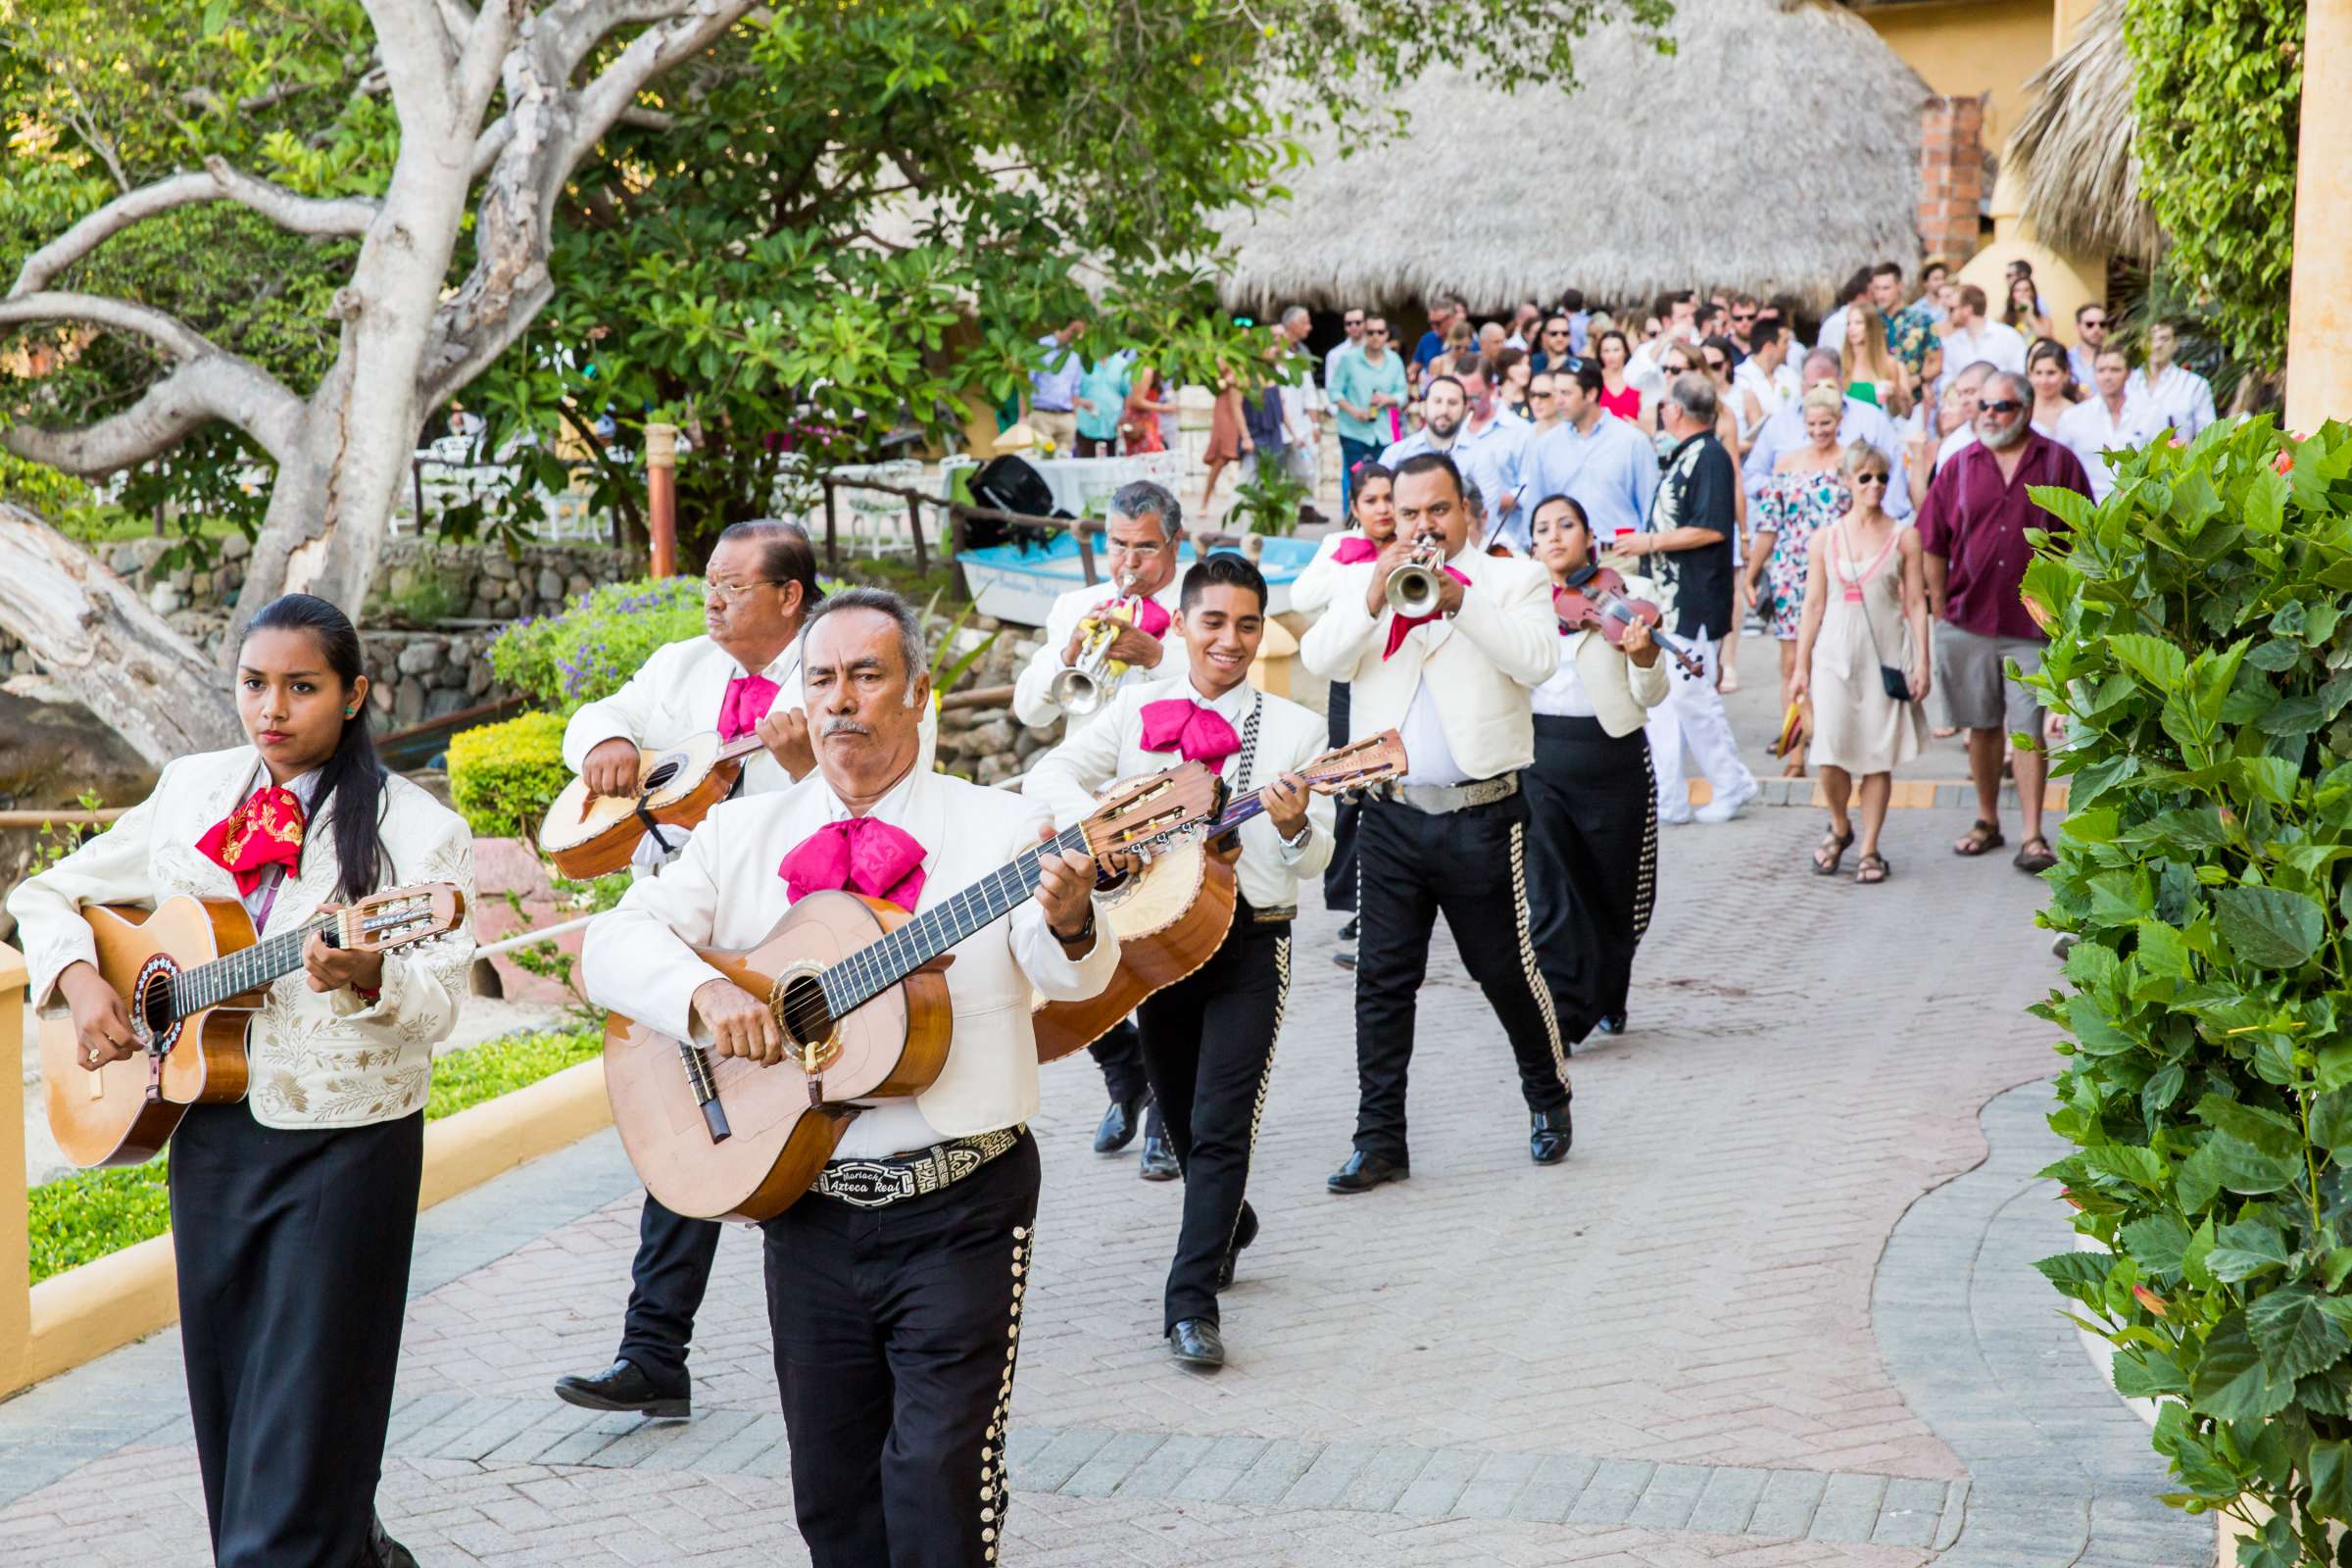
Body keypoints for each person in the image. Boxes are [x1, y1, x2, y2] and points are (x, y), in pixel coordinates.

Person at [581, 588, 1115, 1568]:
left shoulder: (1001, 827)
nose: (840, 701)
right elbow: (609, 945)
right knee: (831, 1500)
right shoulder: (743, 834)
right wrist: (704, 996)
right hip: (807, 1202)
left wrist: (1076, 913)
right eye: (820, 678)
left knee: (938, 1487)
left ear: (918, 692)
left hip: (961, 1201)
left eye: (867, 675)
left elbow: (1065, 967)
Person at [9, 593, 477, 1568]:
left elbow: (439, 1002)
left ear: (354, 695)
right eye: (255, 684)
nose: (272, 708)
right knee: (233, 1425)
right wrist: (80, 977)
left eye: (301, 687)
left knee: (307, 1424)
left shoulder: (417, 831)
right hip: (213, 1135)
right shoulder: (192, 788)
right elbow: (45, 889)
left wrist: (372, 974)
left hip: (345, 1148)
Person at [1028, 554, 1331, 1368]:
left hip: (1252, 936)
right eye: (1214, 621)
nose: (1229, 640)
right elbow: (1047, 769)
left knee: (1222, 1126)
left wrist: (1297, 825)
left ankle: (1189, 1304)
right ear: (1185, 623)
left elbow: (1314, 859)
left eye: (1246, 624)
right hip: (1157, 943)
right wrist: (1101, 824)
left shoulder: (1296, 730)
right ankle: (1226, 1217)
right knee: (1182, 1111)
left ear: (1261, 632)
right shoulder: (1136, 710)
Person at [554, 519, 828, 1420]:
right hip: (680, 932)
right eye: (708, 582)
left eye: (733, 586)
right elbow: (606, 714)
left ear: (789, 597)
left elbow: (864, 805)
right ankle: (652, 1351)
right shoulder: (681, 666)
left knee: (787, 1137)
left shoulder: (840, 666)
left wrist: (801, 768)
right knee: (691, 1132)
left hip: (793, 935)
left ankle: (836, 1360)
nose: (711, 599)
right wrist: (600, 746)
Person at [1299, 452, 1572, 1188]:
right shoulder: (1366, 579)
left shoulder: (1514, 579)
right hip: (1388, 819)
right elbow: (1317, 654)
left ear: (1466, 512)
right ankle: (1380, 1138)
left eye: (1438, 511)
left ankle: (1547, 1095)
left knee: (1504, 973)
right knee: (1381, 983)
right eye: (1410, 512)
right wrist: (1371, 595)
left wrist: (1461, 601)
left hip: (1482, 816)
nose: (1423, 526)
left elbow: (1539, 661)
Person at [1009, 480, 1189, 1170]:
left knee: (1160, 962)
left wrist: (1155, 656)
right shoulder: (1076, 605)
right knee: (1062, 950)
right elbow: (1032, 713)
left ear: (1173, 544)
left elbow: (1220, 681)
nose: (1129, 563)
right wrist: (1065, 657)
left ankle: (1166, 1122)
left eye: (1145, 548)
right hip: (1086, 809)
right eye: (1119, 545)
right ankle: (1125, 1071)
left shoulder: (1195, 603)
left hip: (1164, 808)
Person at [1919, 371, 2092, 875]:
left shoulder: (2058, 462)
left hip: (2033, 623)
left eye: (2002, 406)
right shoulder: (1958, 464)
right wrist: (1936, 611)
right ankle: (1986, 820)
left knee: (2028, 729)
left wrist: (2070, 617)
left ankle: (2033, 835)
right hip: (1967, 618)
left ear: (2027, 409)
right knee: (1980, 726)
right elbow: (1932, 541)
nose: (1990, 414)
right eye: (1985, 405)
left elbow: (2084, 541)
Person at [1522, 495, 1669, 1042]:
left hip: (1612, 757)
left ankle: (1610, 990)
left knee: (1616, 889)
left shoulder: (1628, 598)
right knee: (1550, 891)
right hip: (1539, 759)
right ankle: (1561, 1010)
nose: (1555, 535)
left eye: (1567, 525)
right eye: (1543, 528)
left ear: (1588, 536)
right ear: (1532, 544)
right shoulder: (1522, 601)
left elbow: (1649, 695)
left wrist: (1644, 657)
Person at [1616, 373, 1759, 826]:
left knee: (1694, 697)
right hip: (1670, 600)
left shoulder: (1710, 457)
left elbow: (1713, 527)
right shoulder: (1689, 454)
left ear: (1674, 410)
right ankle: (1669, 797)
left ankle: (1733, 781)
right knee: (1665, 704)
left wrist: (1650, 543)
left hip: (1694, 599)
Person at [1790, 444, 1930, 885]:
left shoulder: (1905, 536)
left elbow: (1915, 602)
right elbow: (1812, 605)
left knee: (1877, 756)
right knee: (1829, 752)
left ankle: (1869, 847)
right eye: (1865, 477)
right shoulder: (1825, 538)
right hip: (1833, 653)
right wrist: (1800, 666)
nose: (1875, 486)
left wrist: (1922, 661)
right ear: (1847, 481)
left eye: (1882, 478)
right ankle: (1840, 826)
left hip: (1884, 656)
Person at [1749, 385, 1855, 710]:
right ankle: (1794, 746)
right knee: (1793, 659)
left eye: (1825, 423)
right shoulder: (1787, 464)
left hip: (1837, 566)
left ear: (1838, 421)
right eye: (1811, 424)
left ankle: (1830, 733)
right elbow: (1769, 525)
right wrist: (1751, 573)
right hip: (1791, 570)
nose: (1818, 431)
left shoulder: (1852, 461)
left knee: (1838, 657)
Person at [1743, 349, 1913, 519]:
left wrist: (1881, 527)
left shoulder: (1871, 419)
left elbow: (1894, 476)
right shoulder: (1779, 424)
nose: (1821, 393)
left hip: (1859, 527)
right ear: (1802, 385)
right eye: (1814, 386)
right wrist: (1794, 489)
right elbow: (1751, 477)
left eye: (1828, 386)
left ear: (1840, 381)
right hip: (1795, 526)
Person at [1380, 365, 1528, 551]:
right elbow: (1384, 508)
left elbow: (1485, 516)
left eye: (1452, 403)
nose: (1444, 410)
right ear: (1424, 407)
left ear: (1466, 408)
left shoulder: (1482, 455)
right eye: (1437, 401)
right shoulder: (1395, 454)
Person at [1519, 363, 1661, 547]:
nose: (1558, 401)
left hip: (1620, 555)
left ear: (1591, 394)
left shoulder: (1632, 441)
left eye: (1566, 393)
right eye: (1556, 393)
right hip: (1564, 557)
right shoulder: (1546, 445)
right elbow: (1535, 506)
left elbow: (1650, 504)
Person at [2056, 346, 2166, 501]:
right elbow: (2060, 468)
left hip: (2138, 506)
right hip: (2088, 508)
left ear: (2128, 373)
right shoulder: (2072, 418)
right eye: (2101, 370)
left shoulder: (2151, 413)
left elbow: (2161, 462)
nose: (2107, 376)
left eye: (2115, 370)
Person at [1331, 315, 1408, 516]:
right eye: (1371, 332)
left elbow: (1402, 394)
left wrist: (1387, 399)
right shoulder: (1349, 359)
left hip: (1382, 431)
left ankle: (1381, 518)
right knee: (1356, 477)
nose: (1375, 336)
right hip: (1353, 430)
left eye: (1380, 332)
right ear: (1364, 334)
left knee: (1384, 478)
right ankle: (1352, 520)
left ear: (1386, 335)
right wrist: (1353, 410)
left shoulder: (1394, 361)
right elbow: (1335, 392)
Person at [2130, 319, 2219, 439]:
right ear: (2140, 343)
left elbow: (2208, 437)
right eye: (2151, 339)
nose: (2157, 345)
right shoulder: (2126, 383)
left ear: (2176, 344)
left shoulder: (2195, 385)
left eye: (2164, 339)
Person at [1938, 284, 2028, 378]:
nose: (1948, 313)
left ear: (1967, 309)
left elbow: (2021, 373)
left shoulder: (2007, 336)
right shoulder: (1952, 343)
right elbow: (1947, 378)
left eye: (1952, 309)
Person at [1841, 307, 1912, 418]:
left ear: (1871, 327)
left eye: (1858, 323)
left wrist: (1896, 393)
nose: (1851, 328)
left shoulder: (1888, 364)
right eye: (1848, 323)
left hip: (1877, 428)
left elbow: (1904, 414)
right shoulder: (1842, 363)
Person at [1029, 318, 1086, 452]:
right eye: (1073, 330)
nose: (1076, 336)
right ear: (1061, 327)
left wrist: (1074, 419)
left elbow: (1075, 389)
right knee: (1042, 461)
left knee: (1066, 463)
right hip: (1042, 415)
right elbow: (1027, 381)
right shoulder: (1042, 346)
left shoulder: (1075, 354)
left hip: (1066, 416)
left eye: (1080, 332)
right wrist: (1023, 416)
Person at [1200, 361, 1250, 515]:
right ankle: (1204, 501)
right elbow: (1216, 381)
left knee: (1246, 456)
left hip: (1244, 406)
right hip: (1226, 407)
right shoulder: (1226, 353)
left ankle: (1244, 502)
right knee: (1222, 456)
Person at [1075, 348, 1132, 458]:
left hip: (1113, 427)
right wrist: (1082, 402)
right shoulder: (1082, 362)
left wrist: (1125, 416)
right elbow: (1071, 393)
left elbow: (1128, 394)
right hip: (1086, 427)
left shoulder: (1121, 363)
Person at [2025, 336, 2082, 434]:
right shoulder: (2023, 413)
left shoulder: (2077, 413)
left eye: (2051, 373)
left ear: (2066, 374)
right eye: (2038, 373)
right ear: (2030, 375)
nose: (2044, 381)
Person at [1120, 363, 1175, 454]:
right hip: (1140, 427)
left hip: (1149, 425)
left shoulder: (1154, 369)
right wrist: (1163, 407)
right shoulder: (1147, 370)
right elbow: (1136, 400)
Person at [1593, 328, 1645, 424]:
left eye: (1616, 350)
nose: (1611, 356)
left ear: (1625, 352)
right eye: (1606, 351)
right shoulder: (1594, 379)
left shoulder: (1638, 378)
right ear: (1600, 354)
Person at [2068, 301, 2111, 387]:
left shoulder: (2116, 360)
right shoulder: (2066, 358)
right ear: (2077, 326)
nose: (2097, 329)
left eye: (2102, 324)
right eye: (2090, 324)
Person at [1325, 307, 1366, 392]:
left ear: (1366, 324)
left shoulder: (1380, 351)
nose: (1353, 326)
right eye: (1349, 323)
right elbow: (1331, 388)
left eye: (1358, 323)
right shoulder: (1334, 354)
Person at [2002, 273, 2054, 342]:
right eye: (2017, 291)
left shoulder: (2044, 320)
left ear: (2033, 294)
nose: (2022, 294)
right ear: (2012, 295)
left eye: (2026, 290)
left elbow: (2046, 340)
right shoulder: (2003, 320)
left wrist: (2030, 315)